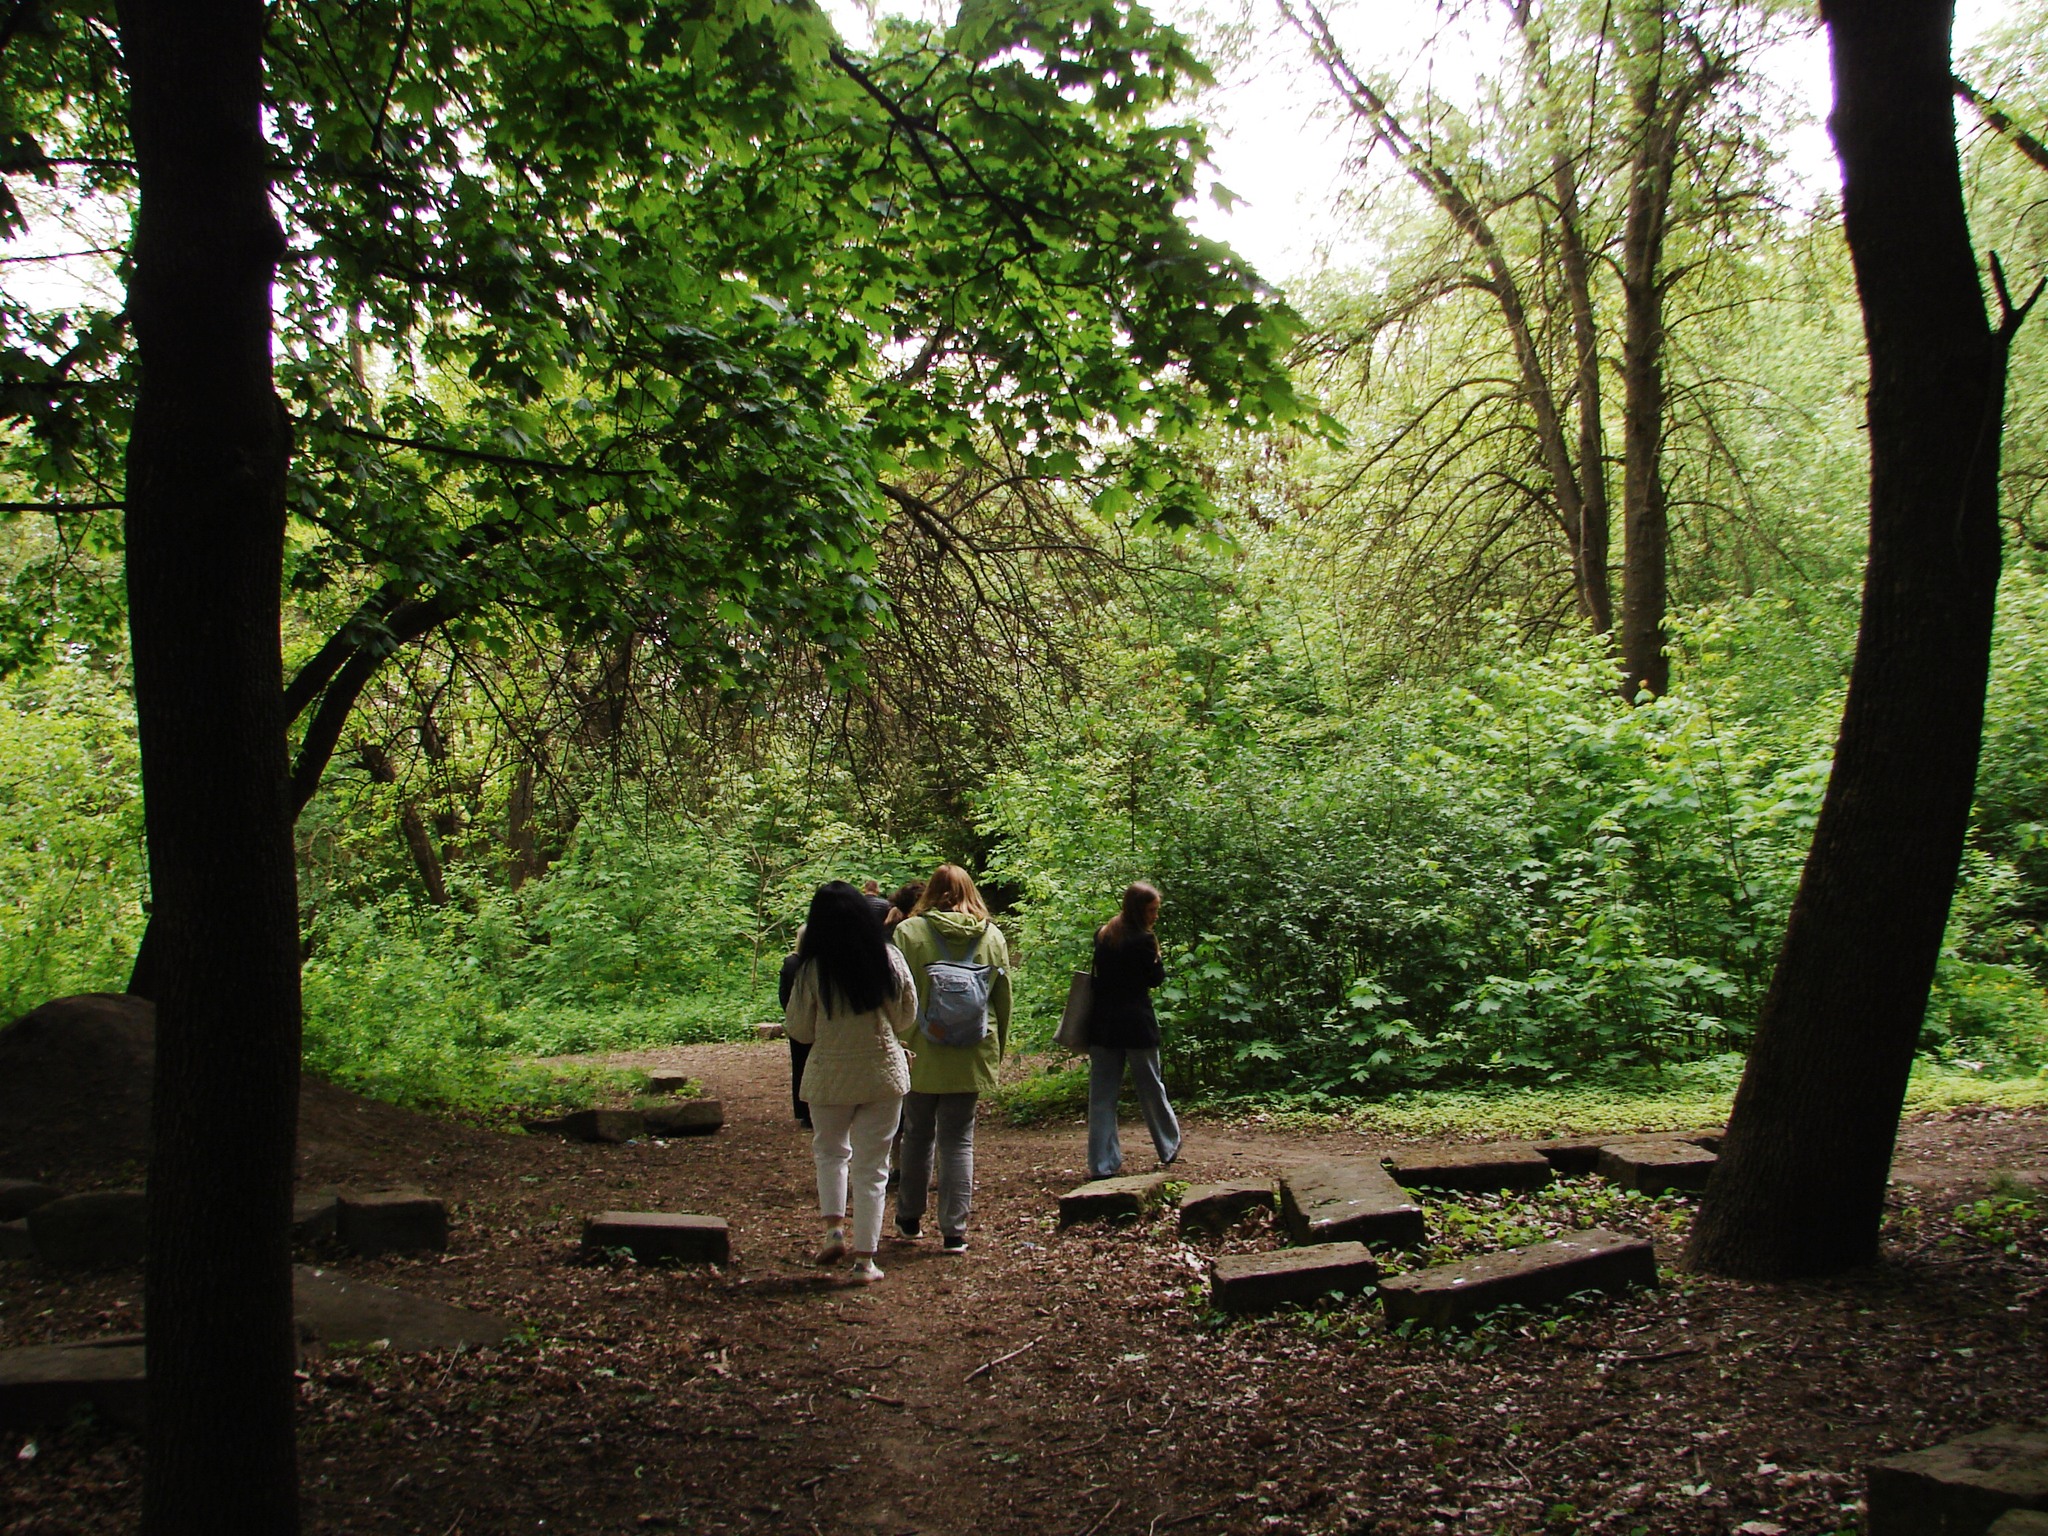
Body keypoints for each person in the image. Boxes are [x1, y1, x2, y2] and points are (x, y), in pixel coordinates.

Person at [783, 881, 919, 1283]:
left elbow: (799, 1029)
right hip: (882, 1071)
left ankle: (833, 1231)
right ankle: (865, 1261)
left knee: (830, 1152)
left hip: (828, 1074)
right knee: (873, 1166)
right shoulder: (889, 958)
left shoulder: (812, 968)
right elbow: (906, 1017)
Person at [890, 864, 1010, 1253]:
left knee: (916, 1133)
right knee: (958, 1139)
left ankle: (909, 1218)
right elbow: (1002, 1001)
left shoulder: (908, 932)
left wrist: (895, 1041)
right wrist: (995, 1051)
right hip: (972, 1050)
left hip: (919, 1050)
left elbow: (897, 994)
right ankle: (954, 1231)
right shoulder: (992, 936)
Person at [1084, 881, 1181, 1180]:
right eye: (1152, 910)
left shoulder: (1103, 934)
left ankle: (1101, 1164)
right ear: (1139, 910)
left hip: (1103, 1025)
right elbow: (1156, 979)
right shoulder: (1144, 940)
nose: (1155, 916)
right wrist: (1157, 955)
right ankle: (1168, 1146)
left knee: (1102, 1096)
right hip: (1137, 1025)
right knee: (1151, 1088)